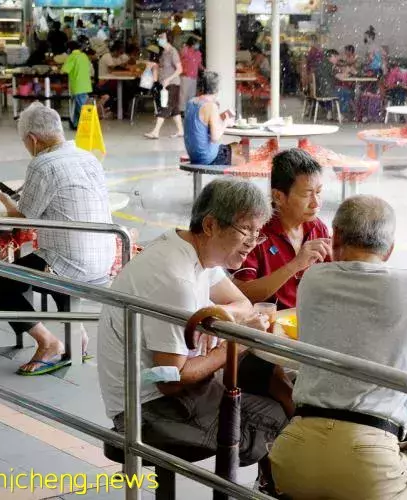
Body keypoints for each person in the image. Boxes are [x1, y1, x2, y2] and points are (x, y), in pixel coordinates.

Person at [97, 179, 288, 488]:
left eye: (257, 232)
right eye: (245, 230)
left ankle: (268, 486)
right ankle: (260, 489)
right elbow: (171, 381)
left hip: (171, 391)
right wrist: (235, 342)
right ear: (211, 224)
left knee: (269, 381)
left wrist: (217, 317)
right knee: (276, 416)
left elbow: (240, 302)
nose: (254, 242)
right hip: (147, 409)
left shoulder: (193, 250)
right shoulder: (176, 280)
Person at [269, 195, 407, 500]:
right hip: (370, 459)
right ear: (391, 249)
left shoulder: (313, 280)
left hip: (296, 452)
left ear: (336, 237)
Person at [0, 103, 115, 375]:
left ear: (33, 140)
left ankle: (49, 343)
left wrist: (9, 205)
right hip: (104, 259)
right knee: (54, 254)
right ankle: (76, 335)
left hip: (71, 266)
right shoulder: (88, 157)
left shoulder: (42, 163)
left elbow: (24, 222)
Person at [235, 149, 331, 310]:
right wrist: (295, 265)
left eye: (318, 192)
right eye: (307, 194)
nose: (316, 203)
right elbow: (241, 293)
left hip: (310, 321)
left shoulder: (317, 228)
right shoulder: (255, 232)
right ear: (278, 197)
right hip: (267, 328)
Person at [183, 71, 238, 166]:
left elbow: (201, 123)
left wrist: (221, 116)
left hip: (194, 155)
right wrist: (225, 122)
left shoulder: (191, 102)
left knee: (234, 146)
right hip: (207, 157)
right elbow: (215, 138)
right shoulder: (211, 106)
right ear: (217, 88)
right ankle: (240, 180)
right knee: (242, 150)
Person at [145, 30, 184, 139]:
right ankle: (181, 131)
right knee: (175, 109)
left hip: (172, 84)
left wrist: (168, 79)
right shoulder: (163, 52)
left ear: (168, 39)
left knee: (165, 107)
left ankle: (156, 132)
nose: (159, 39)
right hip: (165, 84)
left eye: (162, 37)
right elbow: (161, 67)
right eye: (159, 37)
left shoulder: (173, 52)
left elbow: (180, 69)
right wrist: (154, 66)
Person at [61, 40, 94, 130]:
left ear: (69, 49)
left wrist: (59, 70)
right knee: (77, 104)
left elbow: (65, 70)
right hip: (86, 84)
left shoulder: (72, 57)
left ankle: (87, 125)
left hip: (78, 85)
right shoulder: (84, 56)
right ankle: (76, 124)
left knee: (81, 106)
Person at [180, 36, 204, 109]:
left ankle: (190, 109)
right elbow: (179, 61)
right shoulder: (185, 50)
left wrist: (204, 69)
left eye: (198, 44)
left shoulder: (198, 53)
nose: (197, 45)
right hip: (185, 76)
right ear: (191, 44)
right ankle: (182, 110)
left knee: (192, 94)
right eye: (196, 44)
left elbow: (199, 64)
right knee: (184, 94)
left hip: (194, 76)